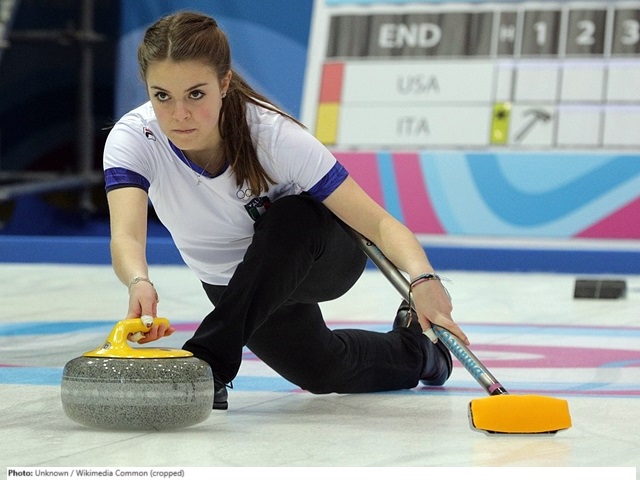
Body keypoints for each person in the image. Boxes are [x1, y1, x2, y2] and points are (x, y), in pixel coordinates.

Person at [103, 10, 469, 410]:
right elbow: (127, 235)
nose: (179, 114)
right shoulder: (134, 138)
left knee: (292, 215)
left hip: (318, 257)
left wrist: (423, 278)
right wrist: (138, 281)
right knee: (322, 371)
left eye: (195, 94)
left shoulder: (273, 136)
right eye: (162, 96)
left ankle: (208, 362)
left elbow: (379, 223)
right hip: (235, 284)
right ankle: (421, 352)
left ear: (223, 83)